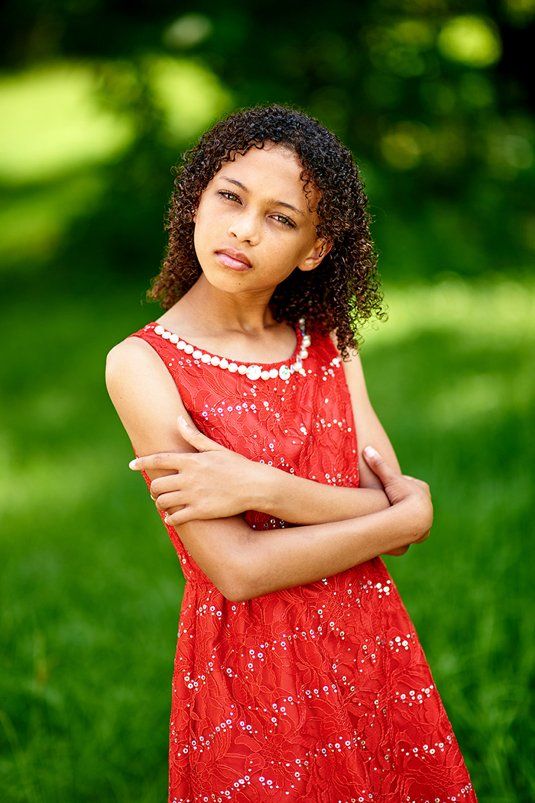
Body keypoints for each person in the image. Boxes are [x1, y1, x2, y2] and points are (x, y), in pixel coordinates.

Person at [105, 103, 477, 801]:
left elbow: (389, 508)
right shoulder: (143, 365)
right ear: (196, 200)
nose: (245, 228)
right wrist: (400, 517)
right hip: (251, 675)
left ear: (314, 248)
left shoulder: (327, 341)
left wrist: (259, 487)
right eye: (230, 197)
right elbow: (238, 568)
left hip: (368, 644)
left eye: (280, 218)